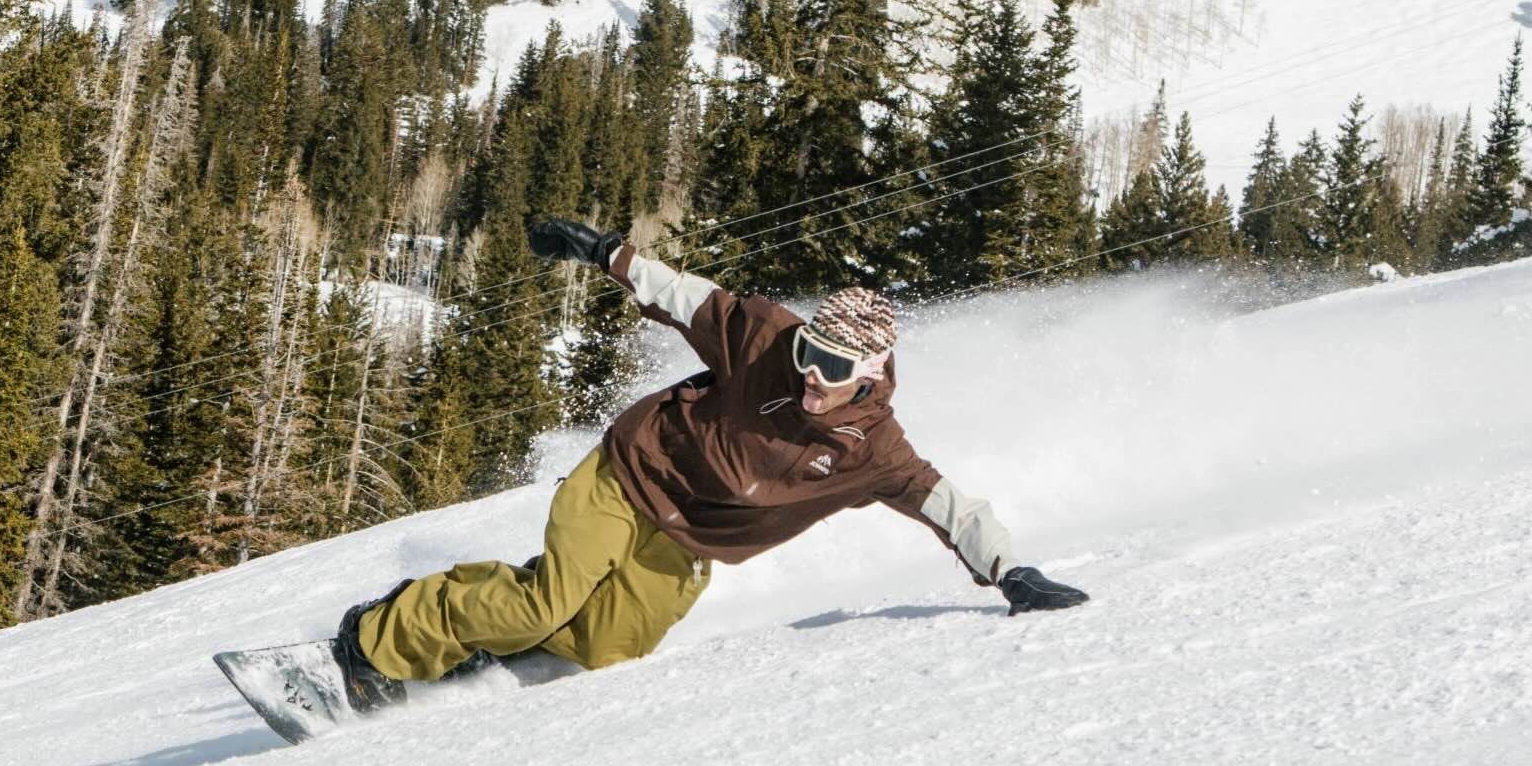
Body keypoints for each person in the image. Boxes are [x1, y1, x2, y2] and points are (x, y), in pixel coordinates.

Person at [328, 217, 1090, 715]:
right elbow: (683, 295)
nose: (812, 376)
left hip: (690, 542)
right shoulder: (764, 340)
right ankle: (373, 639)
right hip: (627, 478)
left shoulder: (874, 451)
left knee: (606, 648)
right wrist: (601, 251)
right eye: (810, 354)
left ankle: (478, 643)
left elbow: (949, 506)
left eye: (833, 365)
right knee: (544, 599)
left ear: (871, 371)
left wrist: (1011, 573)